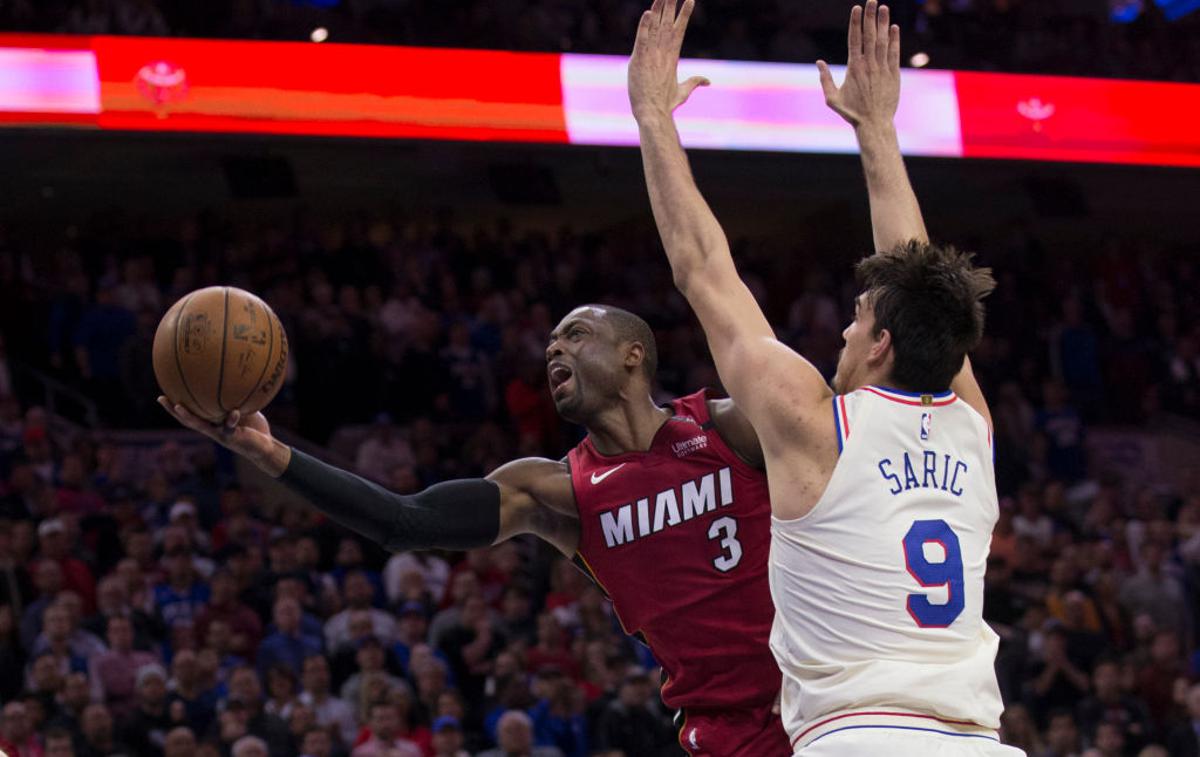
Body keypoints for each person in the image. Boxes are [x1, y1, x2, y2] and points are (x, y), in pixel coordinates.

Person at [629, 0, 1018, 754]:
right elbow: (921, 287)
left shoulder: (818, 423)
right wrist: (877, 131)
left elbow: (703, 270)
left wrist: (652, 116)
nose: (843, 328)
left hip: (859, 736)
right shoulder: (974, 426)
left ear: (878, 344)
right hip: (982, 738)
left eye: (856, 316)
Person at [160, 319, 787, 750]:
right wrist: (270, 455)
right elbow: (405, 523)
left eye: (575, 335)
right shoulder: (554, 491)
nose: (554, 353)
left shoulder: (729, 427)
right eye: (548, 348)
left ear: (634, 354)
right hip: (727, 727)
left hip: (830, 685)